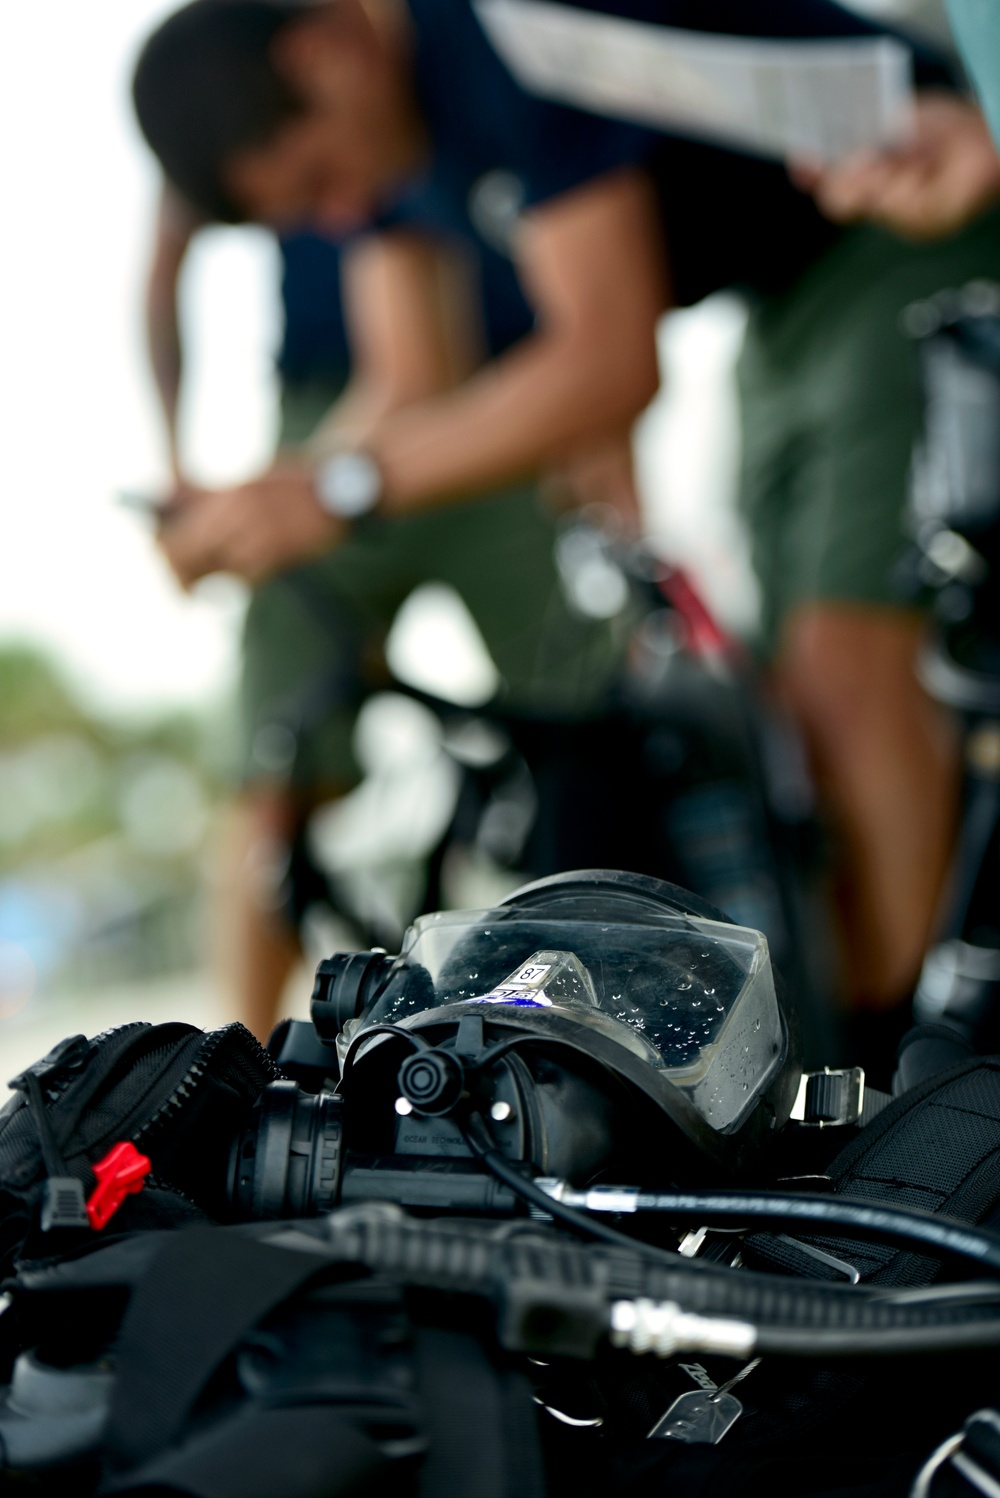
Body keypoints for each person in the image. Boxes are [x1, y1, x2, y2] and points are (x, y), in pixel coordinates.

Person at [131, 0, 1000, 1065]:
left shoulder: (499, 30)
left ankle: (903, 1093)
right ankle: (862, 1051)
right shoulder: (391, 150)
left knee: (846, 676)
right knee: (788, 725)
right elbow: (408, 385)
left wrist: (338, 485)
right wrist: (269, 502)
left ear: (324, 49)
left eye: (321, 181)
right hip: (774, 306)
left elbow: (607, 361)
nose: (341, 211)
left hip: (900, 224)